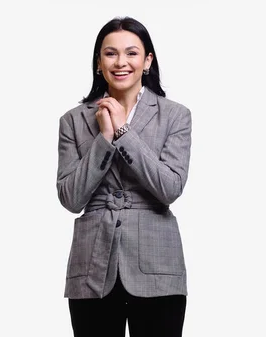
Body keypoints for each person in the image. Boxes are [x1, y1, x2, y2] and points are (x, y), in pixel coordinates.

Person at [56, 16, 192, 337]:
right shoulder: (73, 121)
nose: (121, 62)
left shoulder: (175, 116)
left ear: (147, 61)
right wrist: (103, 139)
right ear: (99, 62)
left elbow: (170, 187)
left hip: (158, 266)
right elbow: (71, 198)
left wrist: (122, 132)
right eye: (110, 53)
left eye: (131, 53)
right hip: (91, 267)